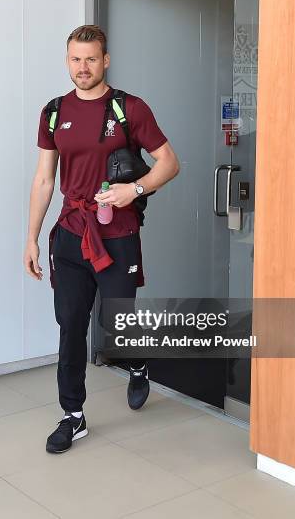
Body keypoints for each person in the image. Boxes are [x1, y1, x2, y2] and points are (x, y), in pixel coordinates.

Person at [24, 25, 179, 454]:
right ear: (67, 61)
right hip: (72, 235)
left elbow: (169, 162)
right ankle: (73, 416)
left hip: (118, 235)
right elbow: (43, 178)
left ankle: (138, 363)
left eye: (91, 59)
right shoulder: (54, 111)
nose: (83, 67)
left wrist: (137, 189)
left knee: (116, 325)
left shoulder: (129, 109)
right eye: (75, 59)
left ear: (105, 60)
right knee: (71, 327)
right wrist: (32, 238)